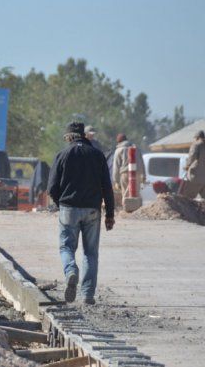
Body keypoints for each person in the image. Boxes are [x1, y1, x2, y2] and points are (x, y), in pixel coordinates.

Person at [48, 122, 114, 305]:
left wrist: (60, 203)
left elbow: (52, 187)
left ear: (69, 137)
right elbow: (107, 187)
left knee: (66, 247)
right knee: (90, 253)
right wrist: (110, 214)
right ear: (83, 135)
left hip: (68, 208)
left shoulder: (62, 155)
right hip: (92, 209)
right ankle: (87, 295)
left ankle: (70, 271)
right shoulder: (97, 155)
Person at [182, 131, 205, 200]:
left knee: (187, 199)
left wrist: (187, 166)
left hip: (196, 178)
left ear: (197, 138)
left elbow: (191, 158)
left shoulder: (196, 145)